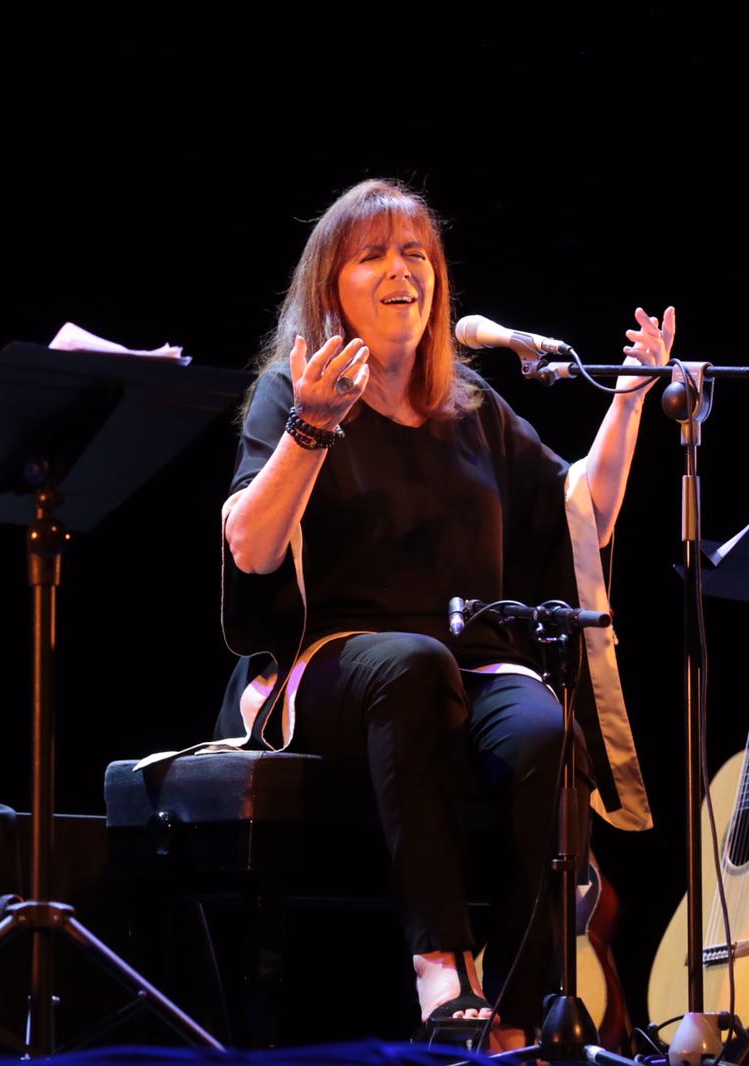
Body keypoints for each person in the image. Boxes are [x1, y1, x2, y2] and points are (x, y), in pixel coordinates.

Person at [216, 178, 664, 1048]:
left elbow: (583, 514)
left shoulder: (471, 407)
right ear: (329, 286)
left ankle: (535, 1007)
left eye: (416, 252)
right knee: (412, 666)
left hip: (466, 664)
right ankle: (441, 972)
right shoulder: (294, 391)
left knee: (543, 725)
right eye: (375, 255)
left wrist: (629, 400)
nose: (402, 271)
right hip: (333, 664)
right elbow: (249, 546)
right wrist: (311, 432)